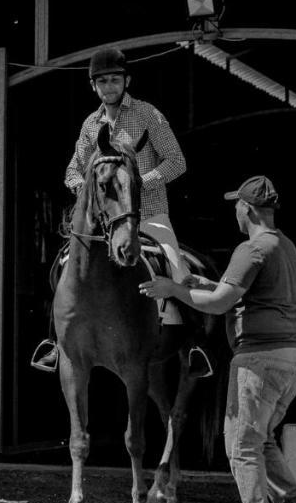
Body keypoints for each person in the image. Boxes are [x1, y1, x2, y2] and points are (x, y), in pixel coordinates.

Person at [139, 175, 296, 503]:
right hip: (292, 357)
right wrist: (202, 283)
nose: (235, 211)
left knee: (241, 445)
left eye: (238, 205)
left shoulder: (251, 249)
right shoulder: (283, 246)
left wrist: (173, 289)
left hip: (260, 360)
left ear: (249, 209)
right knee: (261, 439)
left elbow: (222, 304)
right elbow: (241, 295)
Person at [31, 47, 211, 377]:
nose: (109, 86)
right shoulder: (90, 125)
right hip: (103, 225)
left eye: (115, 80)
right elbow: (73, 169)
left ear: (126, 81)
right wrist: (80, 187)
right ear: (93, 86)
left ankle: (195, 345)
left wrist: (140, 182)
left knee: (179, 270)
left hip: (150, 215)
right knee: (62, 267)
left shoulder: (148, 115)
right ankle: (54, 341)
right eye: (102, 81)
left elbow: (177, 162)